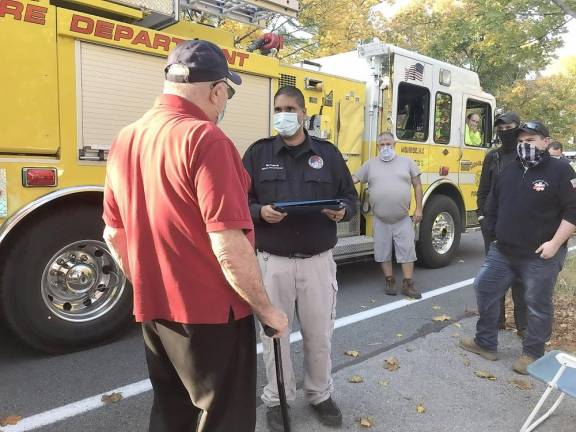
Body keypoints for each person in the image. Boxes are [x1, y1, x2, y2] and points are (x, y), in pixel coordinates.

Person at [102, 39, 288, 432]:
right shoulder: (206, 139)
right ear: (217, 90)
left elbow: (113, 233)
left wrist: (148, 284)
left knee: (172, 415)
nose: (223, 106)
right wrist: (266, 309)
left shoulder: (126, 138)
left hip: (155, 313)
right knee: (223, 418)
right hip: (213, 318)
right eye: (225, 95)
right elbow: (228, 243)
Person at [242, 85, 358, 431]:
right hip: (272, 263)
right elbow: (238, 201)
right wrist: (260, 211)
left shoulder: (328, 154)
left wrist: (343, 212)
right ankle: (277, 398)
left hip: (317, 261)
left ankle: (320, 394)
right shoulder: (258, 153)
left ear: (304, 113)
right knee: (273, 334)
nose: (284, 114)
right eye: (279, 108)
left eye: (291, 108)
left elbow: (351, 199)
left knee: (319, 333)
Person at [460, 121, 576, 375]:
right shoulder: (510, 170)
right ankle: (486, 343)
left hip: (541, 254)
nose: (525, 145)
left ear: (545, 142)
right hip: (503, 250)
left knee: (536, 303)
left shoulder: (561, 170)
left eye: (531, 140)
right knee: (485, 287)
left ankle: (533, 354)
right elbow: (494, 205)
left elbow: (573, 210)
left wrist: (555, 243)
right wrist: (491, 232)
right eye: (521, 141)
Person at [352, 132, 423, 299]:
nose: (385, 147)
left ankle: (408, 283)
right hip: (380, 219)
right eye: (382, 144)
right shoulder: (370, 165)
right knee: (382, 252)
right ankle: (390, 280)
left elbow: (418, 186)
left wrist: (419, 208)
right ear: (377, 147)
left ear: (394, 144)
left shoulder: (407, 162)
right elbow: (354, 178)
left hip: (402, 218)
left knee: (407, 251)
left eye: (388, 144)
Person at [476, 112, 527, 337]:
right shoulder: (492, 157)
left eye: (510, 127)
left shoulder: (526, 155)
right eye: (501, 128)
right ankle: (497, 321)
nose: (505, 131)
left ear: (518, 127)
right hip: (493, 226)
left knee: (520, 279)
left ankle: (523, 326)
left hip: (521, 227)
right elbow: (483, 190)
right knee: (494, 277)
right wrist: (481, 217)